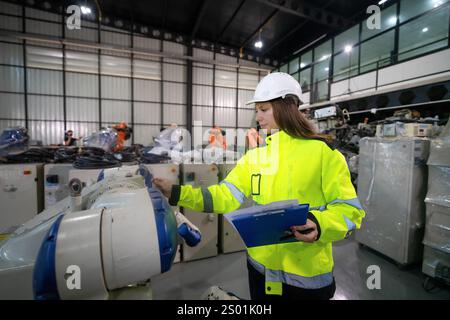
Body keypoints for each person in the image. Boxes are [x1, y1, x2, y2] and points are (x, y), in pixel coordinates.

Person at [153, 72, 365, 300]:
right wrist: (175, 192)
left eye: (264, 109)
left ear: (287, 107)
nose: (258, 117)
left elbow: (350, 211)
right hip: (260, 272)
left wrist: (318, 224)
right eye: (257, 110)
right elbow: (224, 196)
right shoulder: (254, 158)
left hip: (306, 280)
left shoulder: (325, 155)